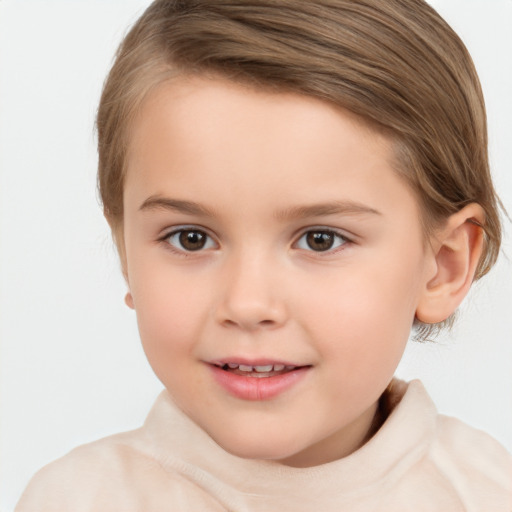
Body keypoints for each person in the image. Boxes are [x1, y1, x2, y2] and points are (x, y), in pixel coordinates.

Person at [14, 0, 512, 510]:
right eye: (191, 238)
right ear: (126, 255)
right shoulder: (76, 500)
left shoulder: (490, 492)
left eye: (321, 239)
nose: (248, 304)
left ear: (444, 266)